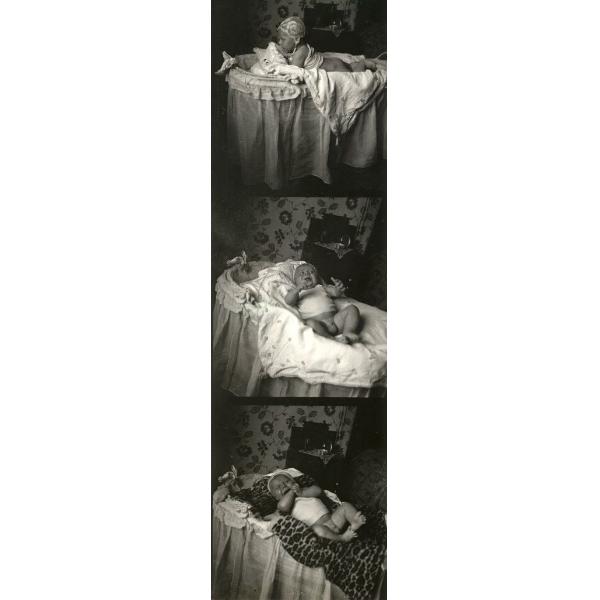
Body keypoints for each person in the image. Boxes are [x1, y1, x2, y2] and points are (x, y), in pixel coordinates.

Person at [267, 471, 366, 542]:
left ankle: (355, 525)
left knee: (345, 506)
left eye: (286, 481)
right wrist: (291, 491)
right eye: (278, 487)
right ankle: (343, 538)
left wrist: (301, 492)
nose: (283, 485)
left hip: (333, 520)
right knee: (317, 529)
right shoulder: (282, 505)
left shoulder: (303, 492)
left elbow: (318, 491)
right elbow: (283, 506)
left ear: (294, 483)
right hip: (320, 530)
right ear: (276, 497)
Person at [284, 263, 361, 344]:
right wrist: (297, 289)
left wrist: (338, 288)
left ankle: (348, 332)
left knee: (352, 309)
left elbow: (336, 293)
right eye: (302, 273)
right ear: (295, 281)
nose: (307, 274)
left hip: (335, 321)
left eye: (311, 272)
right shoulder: (298, 293)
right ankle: (331, 339)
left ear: (317, 278)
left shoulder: (321, 287)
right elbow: (288, 301)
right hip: (318, 325)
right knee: (310, 323)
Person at [275, 16, 377, 73]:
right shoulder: (302, 48)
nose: (279, 42)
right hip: (334, 63)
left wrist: (280, 65)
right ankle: (362, 63)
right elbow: (291, 56)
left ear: (297, 39)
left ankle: (363, 64)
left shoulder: (300, 53)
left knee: (353, 74)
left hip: (334, 68)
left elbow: (293, 71)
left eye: (282, 39)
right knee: (350, 66)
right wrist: (285, 53)